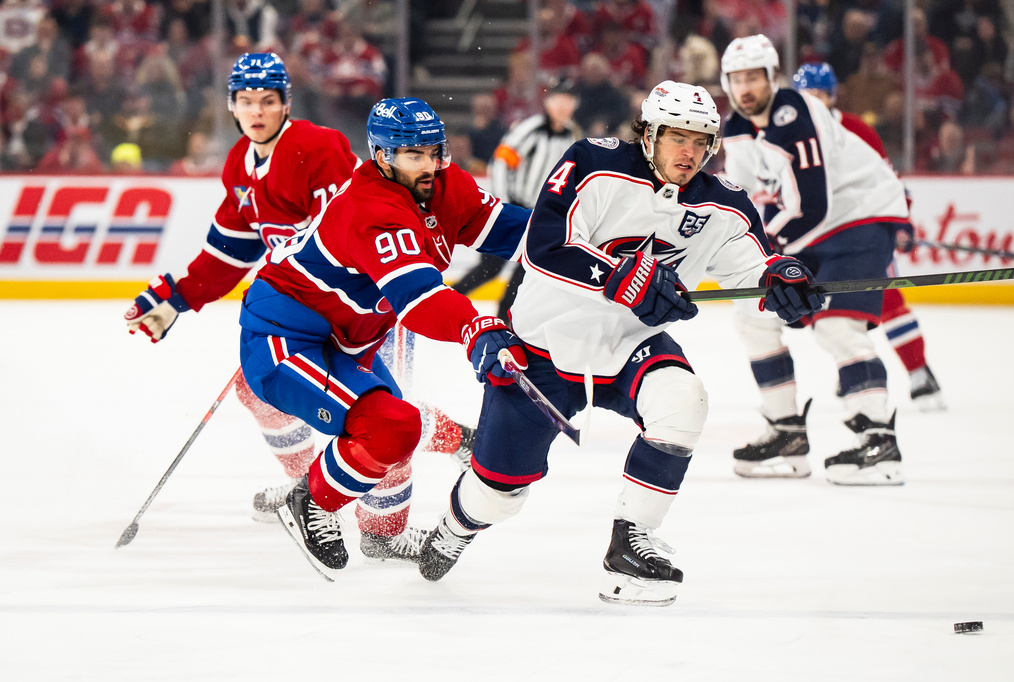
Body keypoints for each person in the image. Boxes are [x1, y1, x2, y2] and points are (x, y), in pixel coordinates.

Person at [415, 80, 824, 605]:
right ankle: (455, 526)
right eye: (678, 137)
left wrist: (783, 279)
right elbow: (545, 245)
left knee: (683, 401)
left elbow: (755, 265)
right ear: (649, 133)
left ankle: (630, 541)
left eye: (702, 141)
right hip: (542, 345)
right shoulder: (591, 162)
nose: (690, 152)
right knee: (498, 495)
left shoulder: (726, 204)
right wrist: (622, 278)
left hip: (631, 345)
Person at [124, 54, 475, 562]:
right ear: (232, 107)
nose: (257, 111)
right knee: (257, 388)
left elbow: (344, 228)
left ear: (286, 103)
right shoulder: (240, 165)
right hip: (309, 311)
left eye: (268, 101)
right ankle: (307, 486)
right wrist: (177, 295)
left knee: (380, 417)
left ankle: (389, 522)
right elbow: (230, 250)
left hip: (370, 306)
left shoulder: (317, 147)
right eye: (246, 101)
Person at [238, 96, 532, 581]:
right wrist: (473, 325)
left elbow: (514, 232)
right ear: (382, 157)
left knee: (397, 432)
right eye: (414, 155)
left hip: (349, 340)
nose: (430, 165)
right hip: (284, 339)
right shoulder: (371, 208)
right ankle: (310, 499)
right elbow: (417, 300)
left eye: (434, 152)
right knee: (390, 426)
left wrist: (593, 244)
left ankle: (382, 533)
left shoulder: (443, 185)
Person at [720, 35, 912, 486]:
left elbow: (813, 204)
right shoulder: (736, 128)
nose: (746, 88)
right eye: (737, 79)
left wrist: (768, 253)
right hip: (808, 230)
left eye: (754, 77)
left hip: (857, 220)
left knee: (836, 326)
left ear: (772, 77)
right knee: (753, 314)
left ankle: (878, 441)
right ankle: (786, 430)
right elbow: (745, 203)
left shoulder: (797, 113)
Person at [792, 62, 944, 410]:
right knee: (832, 311)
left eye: (819, 94)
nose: (812, 101)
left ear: (831, 96)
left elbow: (888, 182)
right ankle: (854, 370)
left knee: (888, 302)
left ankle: (920, 375)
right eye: (805, 95)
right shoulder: (790, 137)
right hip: (815, 241)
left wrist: (900, 223)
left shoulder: (857, 130)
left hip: (862, 232)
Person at [451, 77, 582, 322]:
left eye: (568, 101)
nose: (563, 106)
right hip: (514, 208)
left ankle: (503, 319)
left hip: (540, 216)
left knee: (525, 272)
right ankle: (448, 301)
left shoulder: (571, 136)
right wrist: (503, 205)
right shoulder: (531, 128)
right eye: (558, 100)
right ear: (548, 102)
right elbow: (501, 162)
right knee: (491, 267)